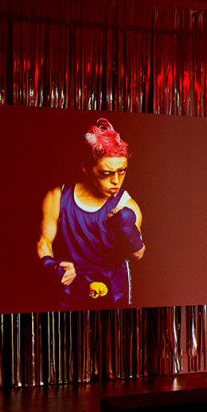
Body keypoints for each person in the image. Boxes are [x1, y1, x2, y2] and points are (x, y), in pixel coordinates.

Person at [37, 117, 146, 308]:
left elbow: (139, 254)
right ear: (86, 169)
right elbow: (43, 242)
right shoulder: (57, 197)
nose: (116, 181)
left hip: (114, 287)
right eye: (106, 173)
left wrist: (128, 229)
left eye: (122, 171)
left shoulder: (126, 205)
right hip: (72, 281)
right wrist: (51, 266)